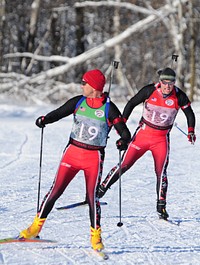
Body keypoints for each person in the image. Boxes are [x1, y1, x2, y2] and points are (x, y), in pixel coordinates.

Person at [19, 69, 131, 250]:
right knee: (54, 192)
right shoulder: (79, 101)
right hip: (71, 153)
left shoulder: (109, 108)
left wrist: (122, 141)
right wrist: (44, 120)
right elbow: (58, 113)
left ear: (94, 87)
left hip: (93, 158)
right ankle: (35, 228)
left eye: (84, 83)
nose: (82, 85)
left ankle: (96, 238)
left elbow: (125, 133)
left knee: (92, 198)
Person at [98, 67, 196, 220]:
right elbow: (131, 103)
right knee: (124, 164)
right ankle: (101, 189)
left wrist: (191, 130)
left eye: (171, 83)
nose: (167, 87)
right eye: (165, 83)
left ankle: (161, 206)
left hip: (161, 139)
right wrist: (122, 122)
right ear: (160, 82)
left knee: (161, 172)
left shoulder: (179, 96)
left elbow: (190, 113)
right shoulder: (149, 91)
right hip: (143, 135)